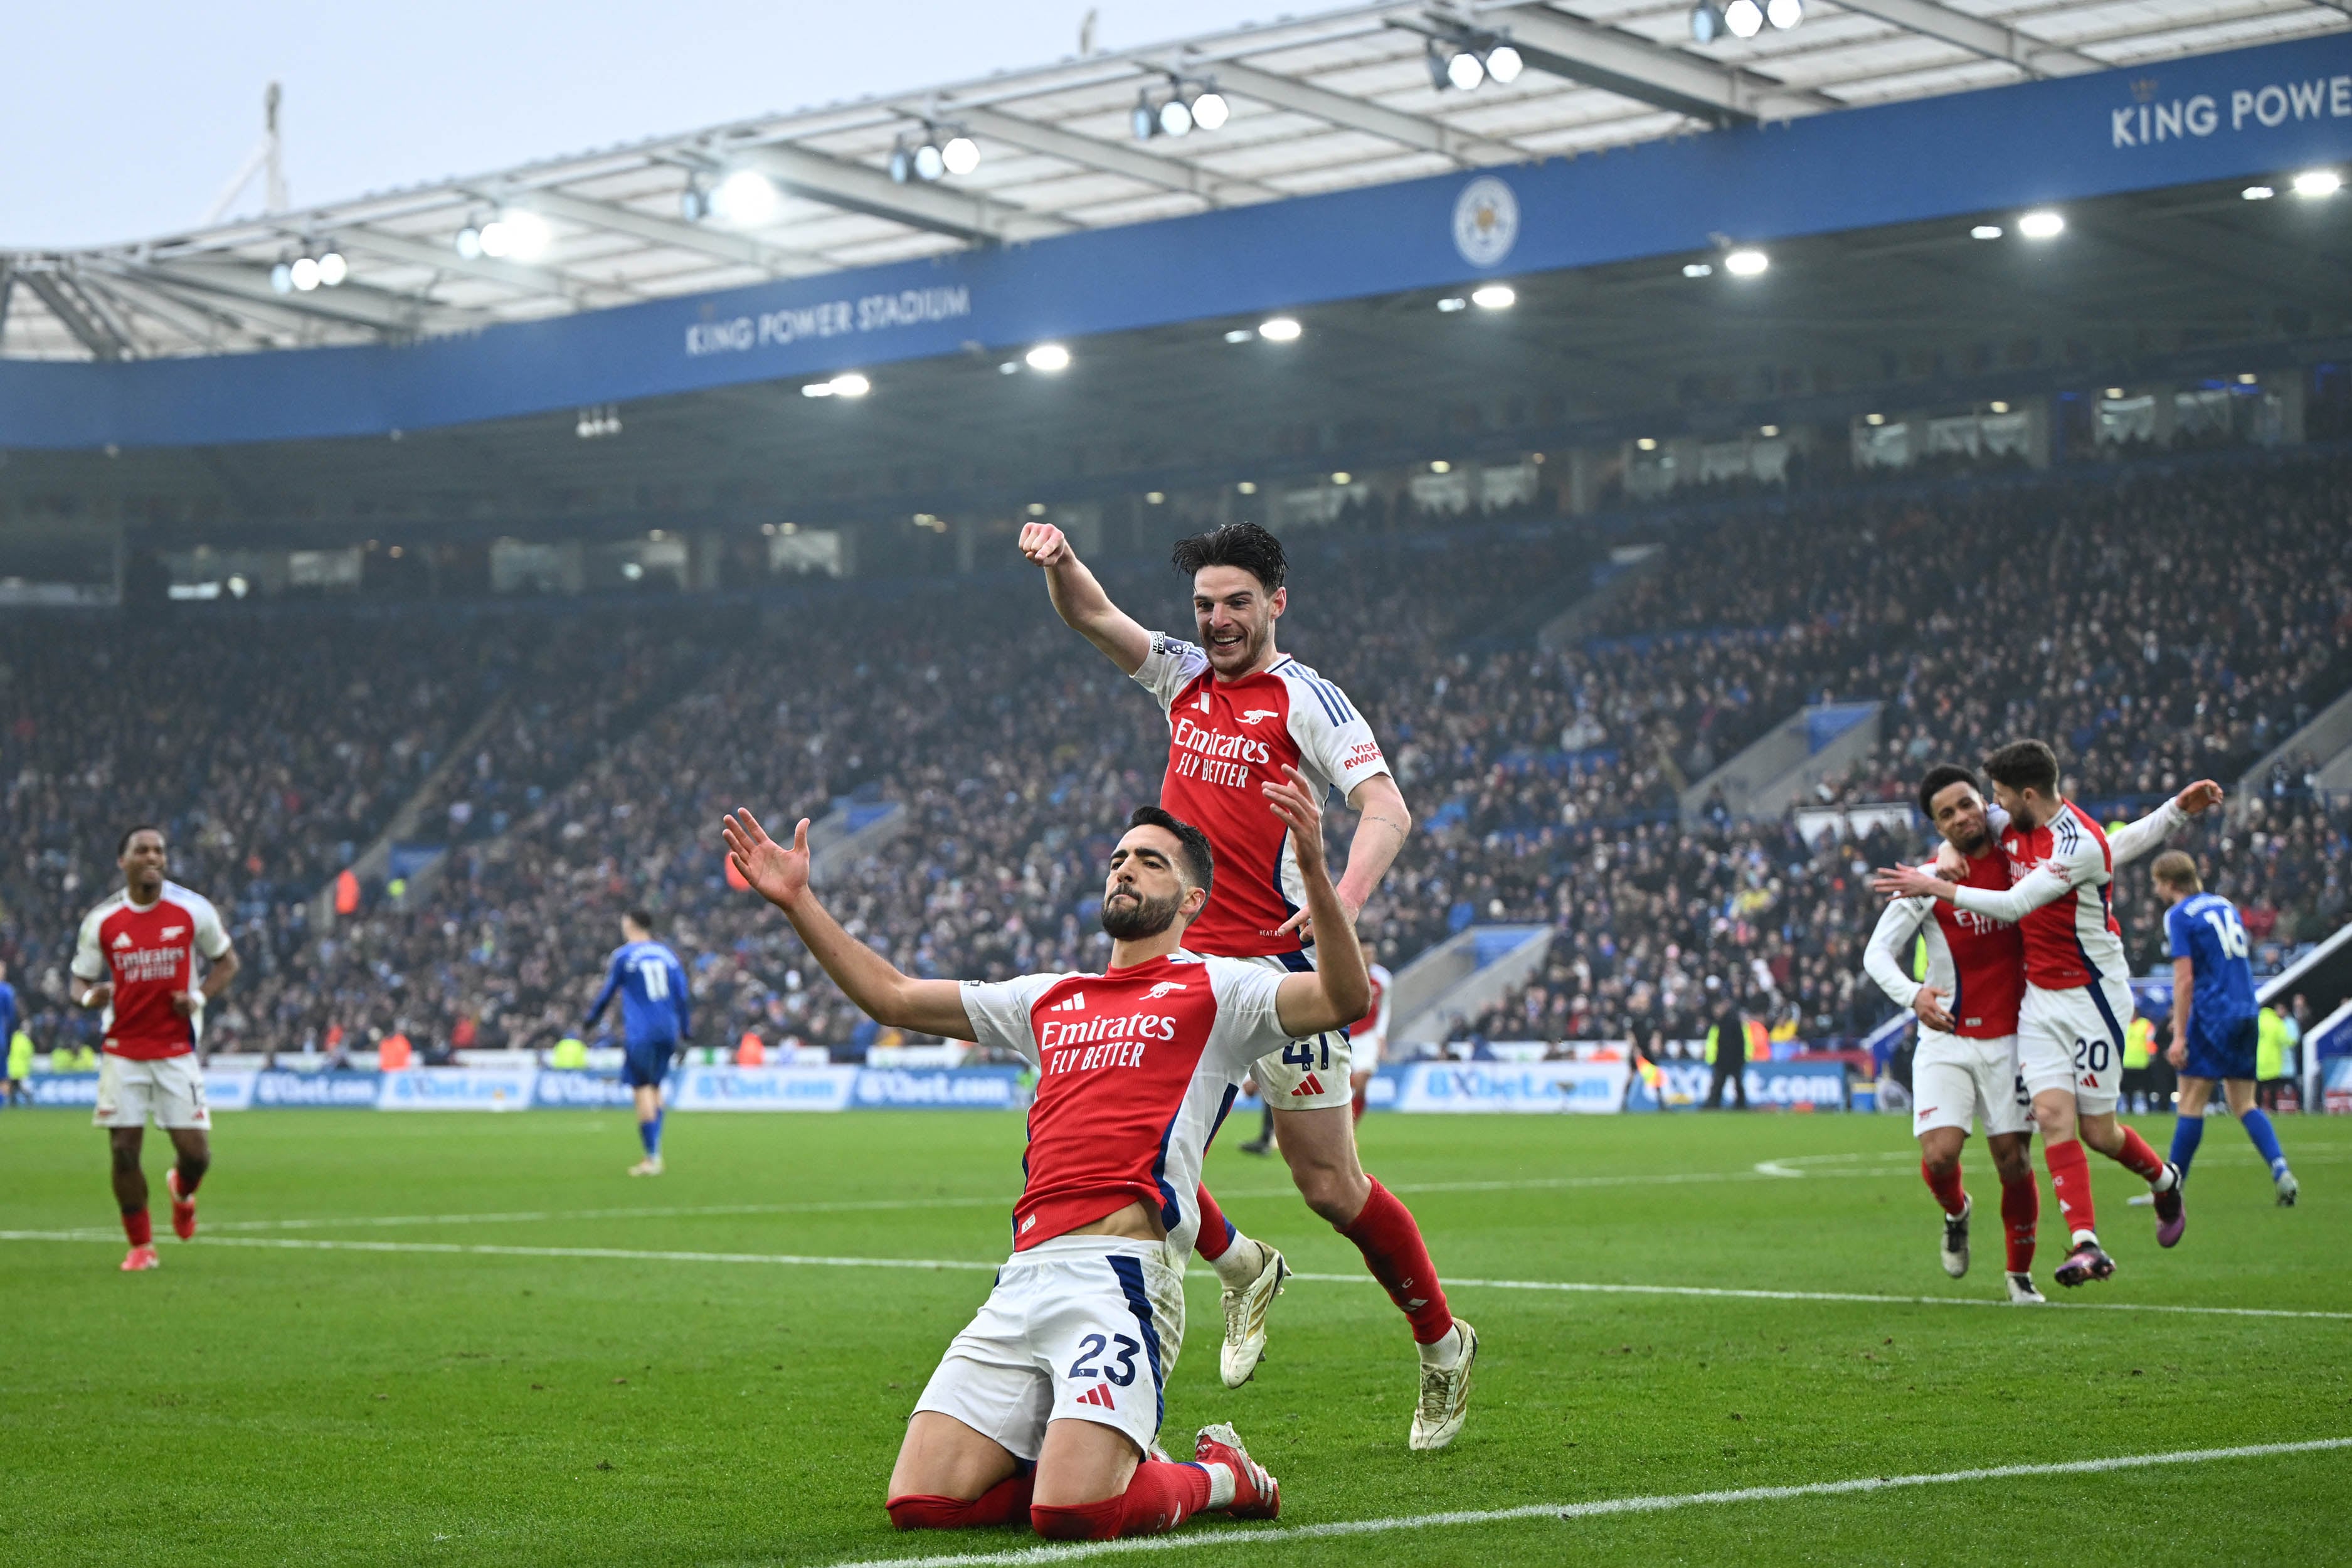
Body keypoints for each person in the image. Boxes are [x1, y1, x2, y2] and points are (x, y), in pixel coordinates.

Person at [721, 779, 1372, 1540]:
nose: (1125, 869)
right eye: (1120, 858)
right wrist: (799, 900)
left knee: (1075, 1514)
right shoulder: (1050, 997)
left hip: (1122, 1280)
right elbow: (893, 997)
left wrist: (1317, 874)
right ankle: (1097, 1447)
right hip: (1023, 1278)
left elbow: (1341, 996)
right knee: (924, 1505)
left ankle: (1223, 1474)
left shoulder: (1222, 989)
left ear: (1194, 900)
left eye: (1152, 863)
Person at [1021, 519, 1472, 1448]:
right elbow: (1094, 618)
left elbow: (1386, 808)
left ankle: (1440, 1343)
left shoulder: (1305, 699)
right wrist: (1063, 565)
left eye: (1235, 604)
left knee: (1328, 1184)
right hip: (1186, 970)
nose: (1217, 621)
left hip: (1280, 974)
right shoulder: (1182, 673)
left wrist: (1339, 897)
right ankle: (1236, 1273)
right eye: (1204, 605)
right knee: (1133, 1160)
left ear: (1274, 603)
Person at [1875, 743, 2222, 1287]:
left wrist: (1936, 884)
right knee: (2056, 1118)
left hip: (2094, 997)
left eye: (1996, 796)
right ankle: (2086, 1243)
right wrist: (1943, 853)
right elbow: (1960, 826)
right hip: (2038, 997)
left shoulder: (2076, 842)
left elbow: (2024, 900)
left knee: (2099, 1132)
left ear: (2026, 796)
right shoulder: (2008, 819)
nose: (1987, 807)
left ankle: (2164, 1179)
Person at [1860, 766, 2045, 1305]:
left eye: (1967, 804)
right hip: (1947, 1034)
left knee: (2013, 1160)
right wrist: (1914, 994)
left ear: (1982, 803)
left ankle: (2018, 1276)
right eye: (1947, 814)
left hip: (2012, 1039)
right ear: (1937, 826)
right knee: (1940, 1155)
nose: (1961, 817)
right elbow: (1876, 954)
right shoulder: (1927, 881)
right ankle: (1957, 1211)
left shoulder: (2020, 861)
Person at [68, 825, 240, 1272]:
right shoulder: (102, 921)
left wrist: (199, 997)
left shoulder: (191, 911)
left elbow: (227, 961)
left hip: (174, 1048)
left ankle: (182, 1192)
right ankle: (141, 1246)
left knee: (197, 1155)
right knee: (124, 1149)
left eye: (159, 850)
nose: (152, 857)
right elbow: (79, 980)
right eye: (142, 850)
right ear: (123, 862)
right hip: (123, 1049)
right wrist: (90, 998)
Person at [2153, 851, 2297, 1210]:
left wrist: (2182, 1034)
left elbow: (2185, 978)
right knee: (2243, 1102)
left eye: (2157, 884)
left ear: (2169, 884)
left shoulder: (2179, 916)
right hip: (2246, 1010)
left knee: (2190, 1102)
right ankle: (2281, 1171)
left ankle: (2171, 1190)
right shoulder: (2224, 906)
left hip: (2212, 1013)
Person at [585, 909, 691, 1177]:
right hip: (668, 1031)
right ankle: (656, 1151)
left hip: (641, 1032)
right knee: (655, 1088)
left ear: (630, 924)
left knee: (642, 1089)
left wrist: (591, 1019)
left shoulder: (623, 956)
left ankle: (652, 1157)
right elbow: (682, 995)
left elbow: (608, 992)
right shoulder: (668, 955)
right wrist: (686, 1031)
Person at [1349, 961, 1393, 1125]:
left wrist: (1381, 1035)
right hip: (1345, 1034)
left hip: (1368, 1036)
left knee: (1361, 1082)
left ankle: (1350, 1128)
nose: (1368, 956)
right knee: (1348, 1083)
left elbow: (1386, 1007)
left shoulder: (1382, 977)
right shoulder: (1345, 972)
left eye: (1371, 953)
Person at [1702, 994, 1754, 1110]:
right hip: (1727, 1059)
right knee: (1724, 1083)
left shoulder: (1732, 1022)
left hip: (1731, 1059)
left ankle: (1717, 1104)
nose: (1716, 1012)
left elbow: (1738, 1043)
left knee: (1725, 1083)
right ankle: (1736, 1104)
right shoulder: (1723, 1022)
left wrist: (1739, 1058)